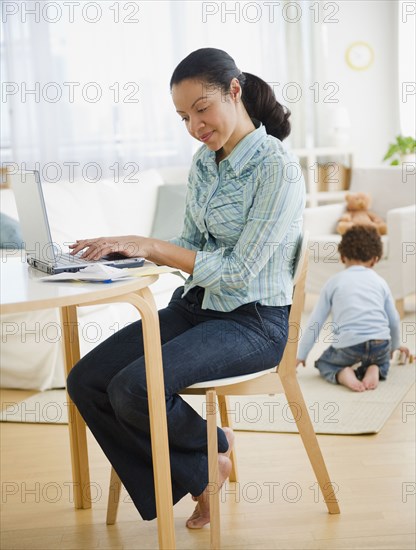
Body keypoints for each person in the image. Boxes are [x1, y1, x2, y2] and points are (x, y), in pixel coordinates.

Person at [67, 47, 305, 528]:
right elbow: (191, 247)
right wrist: (127, 249)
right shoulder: (204, 164)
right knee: (86, 381)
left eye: (202, 109)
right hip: (195, 308)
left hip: (254, 322)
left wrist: (153, 245)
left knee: (134, 388)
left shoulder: (276, 168)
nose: (196, 126)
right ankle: (205, 461)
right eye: (183, 117)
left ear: (234, 91)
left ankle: (207, 455)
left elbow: (239, 272)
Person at [297, 225, 410, 392]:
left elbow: (316, 322)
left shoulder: (333, 282)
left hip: (348, 348)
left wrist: (301, 355)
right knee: (383, 361)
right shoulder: (381, 282)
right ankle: (376, 369)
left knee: (324, 362)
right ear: (375, 259)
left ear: (342, 257)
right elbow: (393, 320)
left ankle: (342, 372)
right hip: (380, 345)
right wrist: (395, 346)